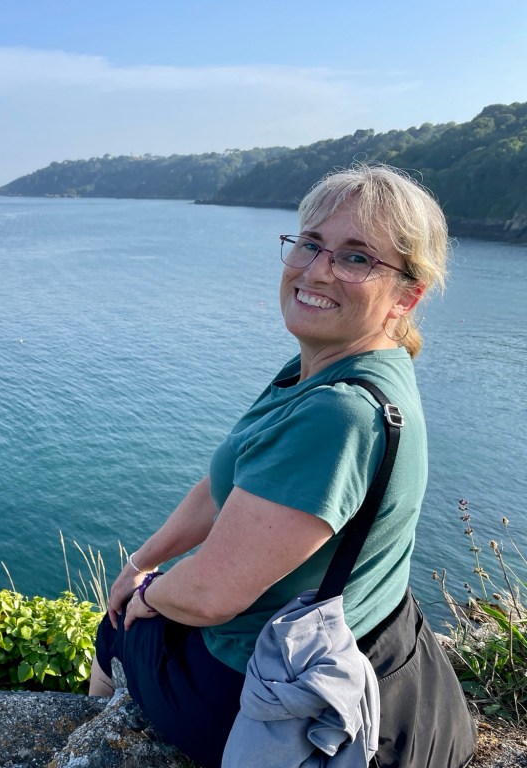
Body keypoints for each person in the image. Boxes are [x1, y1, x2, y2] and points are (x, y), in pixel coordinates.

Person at [90, 163, 451, 767]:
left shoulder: (339, 412)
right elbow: (224, 485)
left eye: (356, 258)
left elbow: (210, 597)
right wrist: (141, 562)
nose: (317, 270)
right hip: (358, 634)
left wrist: (146, 594)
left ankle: (87, 737)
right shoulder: (326, 368)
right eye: (310, 243)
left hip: (260, 688)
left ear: (406, 295)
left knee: (115, 629)